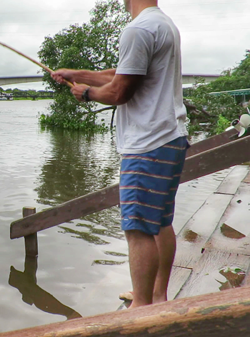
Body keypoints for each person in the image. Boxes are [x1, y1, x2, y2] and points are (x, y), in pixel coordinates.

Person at [51, 0, 188, 308]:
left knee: (138, 228)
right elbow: (122, 73)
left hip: (148, 143)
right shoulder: (162, 24)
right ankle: (157, 295)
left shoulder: (138, 29)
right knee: (160, 222)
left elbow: (118, 92)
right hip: (170, 137)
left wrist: (86, 93)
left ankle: (141, 308)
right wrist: (78, 73)